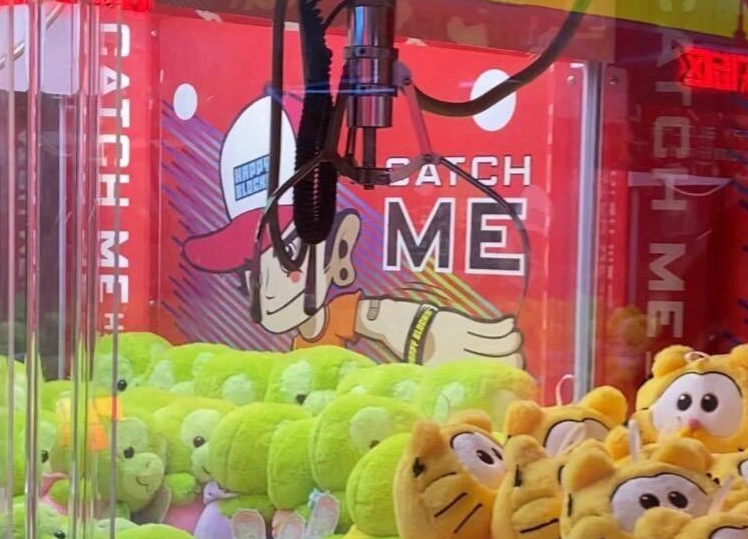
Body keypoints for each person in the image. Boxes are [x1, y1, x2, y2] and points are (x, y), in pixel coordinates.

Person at [183, 97, 524, 365]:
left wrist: (431, 334)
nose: (268, 291)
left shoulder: (339, 316)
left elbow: (379, 318)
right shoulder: (285, 349)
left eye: (290, 257)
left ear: (340, 247)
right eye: (251, 273)